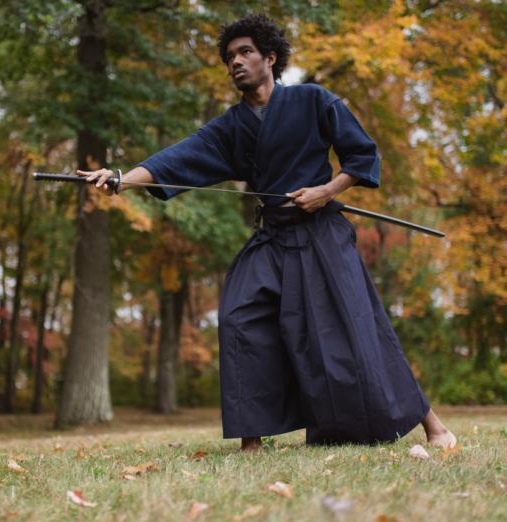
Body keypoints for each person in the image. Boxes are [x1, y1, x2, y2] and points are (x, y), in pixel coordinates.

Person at [79, 14, 456, 451]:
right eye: (229, 57)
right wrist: (122, 178)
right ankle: (252, 444)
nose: (235, 62)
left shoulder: (314, 100)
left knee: (358, 328)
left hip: (322, 234)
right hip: (273, 238)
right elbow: (178, 159)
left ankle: (435, 426)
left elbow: (361, 157)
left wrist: (325, 191)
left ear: (270, 58)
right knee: (239, 315)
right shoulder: (231, 126)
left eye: (245, 52)